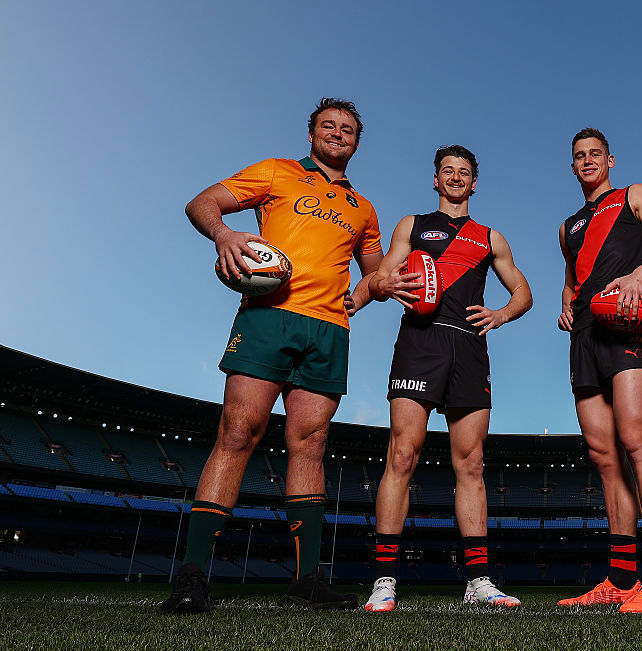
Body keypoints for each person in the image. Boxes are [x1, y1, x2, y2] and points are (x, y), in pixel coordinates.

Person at [160, 98, 383, 614]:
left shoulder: (363, 208)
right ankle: (192, 575)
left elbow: (373, 273)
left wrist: (368, 292)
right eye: (328, 126)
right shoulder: (276, 172)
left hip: (329, 329)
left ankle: (307, 582)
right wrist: (225, 234)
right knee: (238, 433)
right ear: (311, 134)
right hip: (267, 317)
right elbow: (201, 203)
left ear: (356, 142)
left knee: (311, 443)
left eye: (348, 130)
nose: (338, 134)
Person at [362, 145, 532, 612]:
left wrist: (501, 314)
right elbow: (380, 277)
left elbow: (523, 291)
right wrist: (384, 284)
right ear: (436, 180)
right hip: (420, 342)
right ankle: (384, 580)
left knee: (471, 463)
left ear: (474, 183)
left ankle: (478, 580)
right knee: (402, 455)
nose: (456, 178)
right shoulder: (412, 225)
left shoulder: (490, 237)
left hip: (469, 347)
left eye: (464, 172)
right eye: (448, 171)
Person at [555, 129, 642, 613]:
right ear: (573, 167)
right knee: (604, 456)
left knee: (638, 442)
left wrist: (639, 275)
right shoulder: (567, 226)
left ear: (610, 160)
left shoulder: (635, 195)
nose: (588, 161)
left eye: (595, 154)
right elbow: (571, 280)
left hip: (626, 322)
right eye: (579, 156)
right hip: (584, 336)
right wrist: (566, 306)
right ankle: (621, 579)